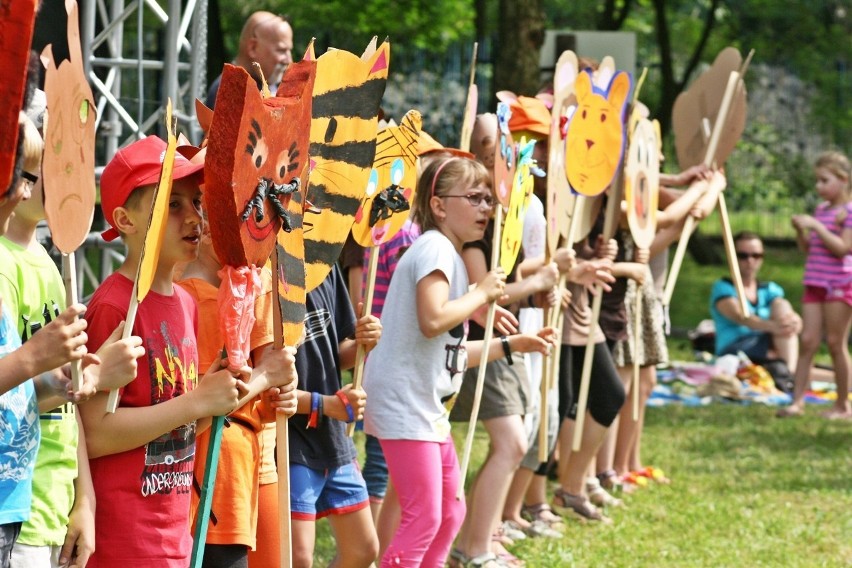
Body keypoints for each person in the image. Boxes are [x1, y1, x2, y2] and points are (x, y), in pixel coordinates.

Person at [363, 156, 554, 568]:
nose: (486, 207)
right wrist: (481, 294)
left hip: (426, 408)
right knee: (426, 517)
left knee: (451, 514)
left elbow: (448, 355)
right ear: (439, 206)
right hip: (405, 404)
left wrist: (511, 345)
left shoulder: (449, 255)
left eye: (488, 199)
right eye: (474, 197)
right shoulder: (433, 247)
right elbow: (433, 321)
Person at [77, 135, 244, 567]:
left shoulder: (185, 302)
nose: (194, 217)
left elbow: (180, 425)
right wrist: (196, 401)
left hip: (173, 535)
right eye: (172, 204)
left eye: (195, 202)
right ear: (124, 220)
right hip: (122, 541)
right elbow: (94, 433)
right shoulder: (115, 306)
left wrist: (229, 391)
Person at [180, 207, 299, 567]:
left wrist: (280, 393)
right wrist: (267, 376)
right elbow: (207, 402)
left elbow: (261, 405)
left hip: (244, 467)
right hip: (208, 470)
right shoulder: (188, 297)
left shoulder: (249, 287)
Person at [288, 263, 381, 568]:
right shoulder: (264, 270)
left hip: (331, 438)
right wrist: (325, 405)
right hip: (288, 444)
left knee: (363, 548)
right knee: (297, 557)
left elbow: (336, 353)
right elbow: (265, 386)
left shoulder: (325, 265)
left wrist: (363, 343)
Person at [780, 151, 852, 419]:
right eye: (817, 181)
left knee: (835, 343)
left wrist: (817, 227)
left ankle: (843, 405)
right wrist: (801, 231)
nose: (818, 187)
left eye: (824, 180)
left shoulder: (849, 212)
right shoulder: (822, 211)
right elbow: (809, 250)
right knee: (808, 340)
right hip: (815, 282)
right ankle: (797, 402)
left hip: (839, 284)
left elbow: (844, 249)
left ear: (843, 180)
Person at [710, 231, 801, 369]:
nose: (750, 261)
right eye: (743, 256)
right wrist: (775, 327)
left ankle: (790, 373)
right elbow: (741, 317)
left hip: (770, 343)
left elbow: (785, 314)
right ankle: (789, 374)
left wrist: (795, 322)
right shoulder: (723, 288)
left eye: (756, 256)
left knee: (782, 305)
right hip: (736, 347)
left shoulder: (769, 289)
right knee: (787, 357)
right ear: (732, 257)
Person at [206, 11, 294, 107]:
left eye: (289, 51)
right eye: (281, 50)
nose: (289, 60)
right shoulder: (230, 91)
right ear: (253, 48)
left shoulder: (267, 85)